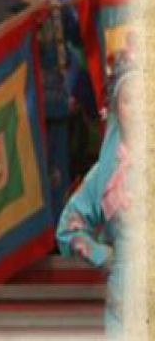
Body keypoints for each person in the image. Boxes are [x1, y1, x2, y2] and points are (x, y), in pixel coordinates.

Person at [10, 0, 96, 224]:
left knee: (58, 174)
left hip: (58, 106)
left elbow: (80, 38)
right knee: (34, 179)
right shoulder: (17, 16)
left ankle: (59, 232)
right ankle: (37, 235)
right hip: (29, 109)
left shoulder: (59, 12)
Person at [56, 53, 137, 336]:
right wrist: (104, 256)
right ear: (115, 109)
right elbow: (68, 227)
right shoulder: (105, 174)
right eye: (128, 100)